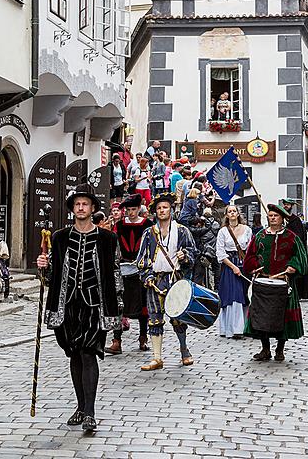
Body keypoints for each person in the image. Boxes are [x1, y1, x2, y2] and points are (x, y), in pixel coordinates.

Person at [36, 184, 123, 432]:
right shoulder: (60, 237)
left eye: (85, 204)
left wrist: (117, 306)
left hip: (96, 305)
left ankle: (91, 412)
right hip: (68, 305)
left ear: (92, 208)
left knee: (88, 353)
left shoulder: (108, 239)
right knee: (74, 353)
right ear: (73, 209)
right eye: (77, 204)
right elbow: (51, 275)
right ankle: (81, 406)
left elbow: (115, 274)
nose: (81, 207)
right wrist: (44, 265)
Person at [137, 192, 197, 370]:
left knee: (178, 317)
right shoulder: (149, 233)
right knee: (154, 318)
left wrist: (184, 256)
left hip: (175, 278)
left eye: (165, 208)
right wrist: (147, 276)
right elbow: (141, 258)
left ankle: (184, 349)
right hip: (156, 280)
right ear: (155, 212)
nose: (162, 210)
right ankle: (157, 358)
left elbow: (193, 252)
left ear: (171, 210)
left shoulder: (182, 230)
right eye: (159, 208)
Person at [243, 204, 308, 362]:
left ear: (282, 218)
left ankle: (280, 349)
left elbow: (301, 258)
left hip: (283, 282)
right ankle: (265, 349)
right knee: (261, 317)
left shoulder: (291, 237)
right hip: (263, 283)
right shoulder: (260, 236)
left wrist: (294, 266)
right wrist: (253, 266)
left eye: (275, 216)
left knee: (282, 318)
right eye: (270, 215)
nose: (272, 218)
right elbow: (250, 255)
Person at [105, 194, 153, 355]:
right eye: (128, 209)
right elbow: (113, 244)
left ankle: (143, 337)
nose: (131, 212)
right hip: (123, 267)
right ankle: (116, 341)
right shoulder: (119, 225)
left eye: (134, 209)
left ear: (139, 209)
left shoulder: (148, 224)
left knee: (143, 306)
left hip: (141, 269)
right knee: (119, 304)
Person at [216, 205, 252, 339]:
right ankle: (234, 329)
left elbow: (251, 248)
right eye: (229, 211)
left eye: (234, 211)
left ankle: (245, 326)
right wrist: (233, 267)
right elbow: (220, 253)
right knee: (233, 297)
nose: (232, 213)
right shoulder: (223, 232)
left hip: (244, 267)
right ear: (226, 215)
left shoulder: (247, 230)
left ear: (238, 214)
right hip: (229, 268)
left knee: (245, 296)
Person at [281, 198, 308, 300]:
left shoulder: (295, 220)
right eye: (285, 204)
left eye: (288, 205)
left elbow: (298, 236)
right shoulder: (281, 219)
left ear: (291, 206)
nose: (286, 206)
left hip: (294, 251)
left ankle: (299, 293)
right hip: (283, 252)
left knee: (297, 272)